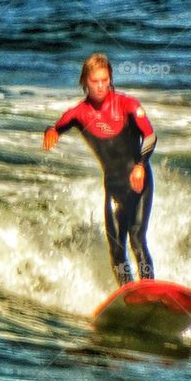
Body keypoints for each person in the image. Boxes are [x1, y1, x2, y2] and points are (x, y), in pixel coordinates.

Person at [43, 53, 157, 287]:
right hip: (114, 188)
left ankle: (149, 288)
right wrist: (51, 132)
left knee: (136, 238)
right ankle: (127, 294)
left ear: (111, 79)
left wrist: (140, 165)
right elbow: (56, 126)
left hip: (139, 183)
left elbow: (151, 136)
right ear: (85, 81)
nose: (101, 86)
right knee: (116, 249)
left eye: (105, 80)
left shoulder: (127, 105)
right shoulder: (78, 114)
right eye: (95, 81)